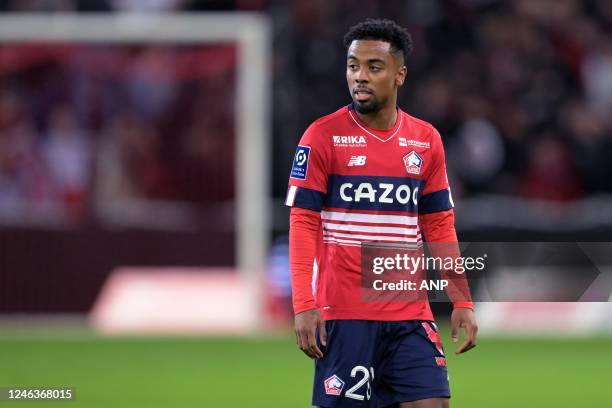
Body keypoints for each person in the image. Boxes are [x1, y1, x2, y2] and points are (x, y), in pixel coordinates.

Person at [285, 19, 478, 407]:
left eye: (374, 67)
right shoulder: (322, 136)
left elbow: (439, 224)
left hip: (411, 313)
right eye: (353, 65)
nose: (360, 76)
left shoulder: (425, 140)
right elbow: (303, 221)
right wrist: (304, 305)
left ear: (399, 74)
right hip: (345, 315)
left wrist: (462, 300)